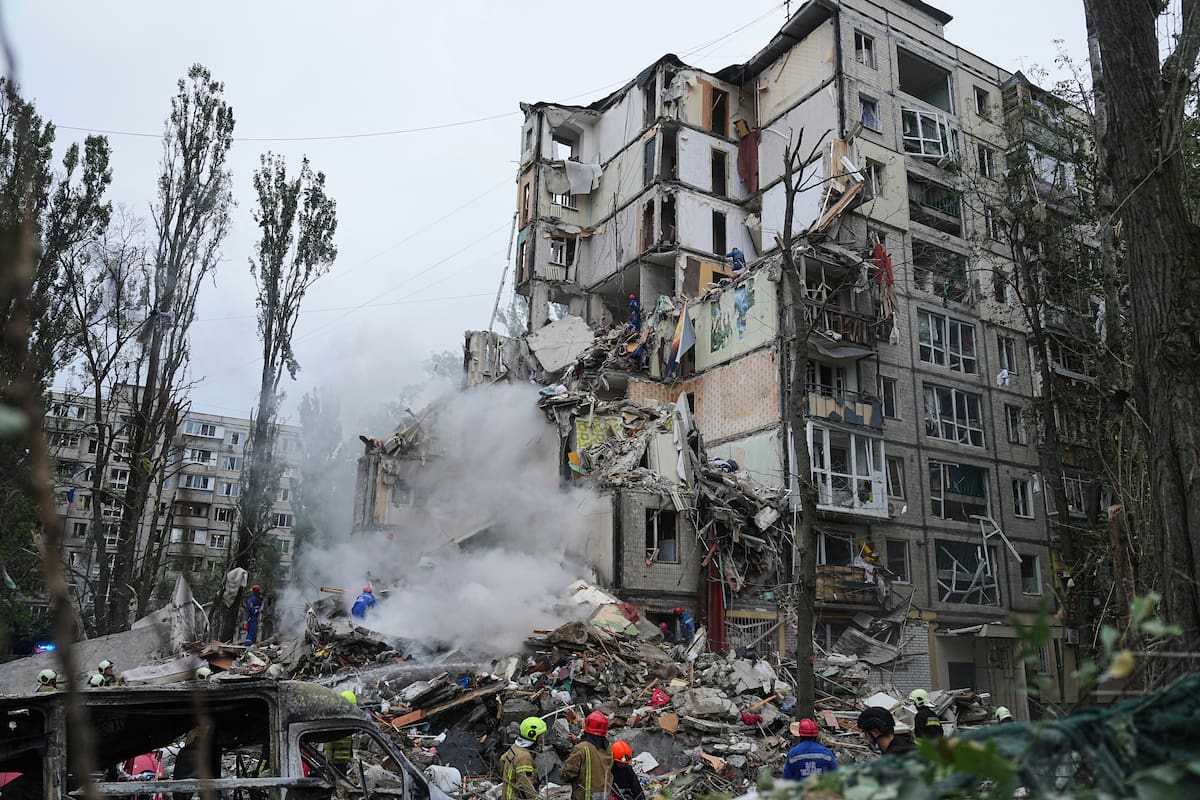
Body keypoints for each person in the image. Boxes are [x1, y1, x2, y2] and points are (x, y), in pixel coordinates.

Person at [562, 711, 612, 800]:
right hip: (605, 796)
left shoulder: (581, 748)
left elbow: (567, 774)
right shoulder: (608, 748)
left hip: (585, 796)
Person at [500, 716, 546, 800]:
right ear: (533, 735)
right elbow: (525, 786)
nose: (542, 739)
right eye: (540, 736)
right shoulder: (524, 757)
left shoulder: (515, 747)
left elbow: (502, 760)